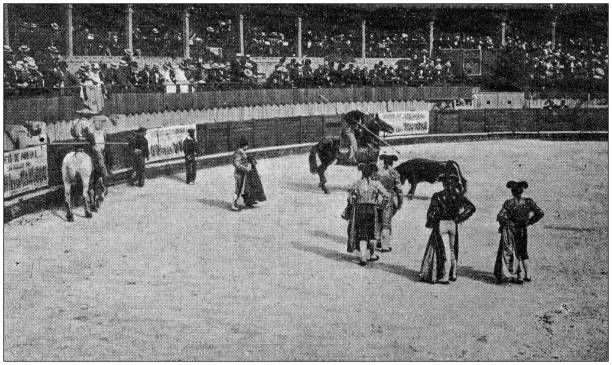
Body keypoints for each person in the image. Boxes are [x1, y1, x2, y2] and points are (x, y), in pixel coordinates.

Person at [420, 175, 476, 284]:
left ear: (443, 184)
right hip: (453, 224)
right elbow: (471, 208)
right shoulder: (458, 196)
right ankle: (453, 273)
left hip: (441, 224)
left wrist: (434, 220)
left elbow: (431, 213)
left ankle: (444, 276)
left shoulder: (438, 196)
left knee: (442, 249)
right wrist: (459, 218)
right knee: (452, 249)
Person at [494, 181, 544, 284]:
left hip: (512, 230)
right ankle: (528, 275)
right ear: (522, 191)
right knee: (523, 252)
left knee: (514, 252)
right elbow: (540, 213)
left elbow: (500, 216)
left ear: (512, 192)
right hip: (523, 229)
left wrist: (506, 223)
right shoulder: (528, 202)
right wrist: (529, 222)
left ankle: (519, 277)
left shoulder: (509, 203)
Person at [347, 162, 389, 266]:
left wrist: (354, 201)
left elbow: (349, 198)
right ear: (372, 173)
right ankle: (371, 255)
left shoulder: (357, 183)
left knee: (362, 233)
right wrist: (381, 206)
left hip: (360, 210)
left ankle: (363, 258)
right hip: (371, 209)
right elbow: (386, 196)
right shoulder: (376, 183)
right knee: (372, 233)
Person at [372, 149, 403, 252]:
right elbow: (399, 190)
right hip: (389, 199)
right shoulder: (394, 173)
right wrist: (400, 202)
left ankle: (377, 243)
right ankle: (385, 246)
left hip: (377, 199)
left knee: (378, 221)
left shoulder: (377, 172)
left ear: (384, 160)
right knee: (386, 223)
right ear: (392, 161)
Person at [231, 136, 251, 211]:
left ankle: (242, 202)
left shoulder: (240, 152)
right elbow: (236, 163)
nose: (247, 147)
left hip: (241, 173)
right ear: (243, 146)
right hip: (239, 174)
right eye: (246, 146)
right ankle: (233, 204)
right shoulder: (239, 152)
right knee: (238, 189)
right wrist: (245, 168)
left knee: (241, 189)